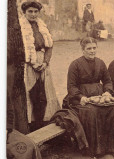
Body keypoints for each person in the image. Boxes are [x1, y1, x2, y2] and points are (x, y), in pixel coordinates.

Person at [65, 37, 114, 158]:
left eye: (94, 48)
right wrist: (80, 97)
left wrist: (108, 92)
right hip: (80, 99)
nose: (92, 51)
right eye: (89, 48)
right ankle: (96, 150)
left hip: (98, 96)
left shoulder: (100, 62)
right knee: (92, 112)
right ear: (83, 50)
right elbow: (71, 86)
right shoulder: (75, 65)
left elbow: (107, 81)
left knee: (113, 109)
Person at [19, 1, 60, 131]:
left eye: (36, 11)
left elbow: (49, 46)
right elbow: (19, 49)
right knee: (31, 94)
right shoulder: (19, 27)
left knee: (44, 94)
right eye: (30, 11)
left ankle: (44, 123)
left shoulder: (42, 26)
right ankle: (30, 125)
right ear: (24, 12)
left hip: (42, 64)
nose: (33, 14)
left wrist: (45, 62)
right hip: (27, 64)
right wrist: (32, 63)